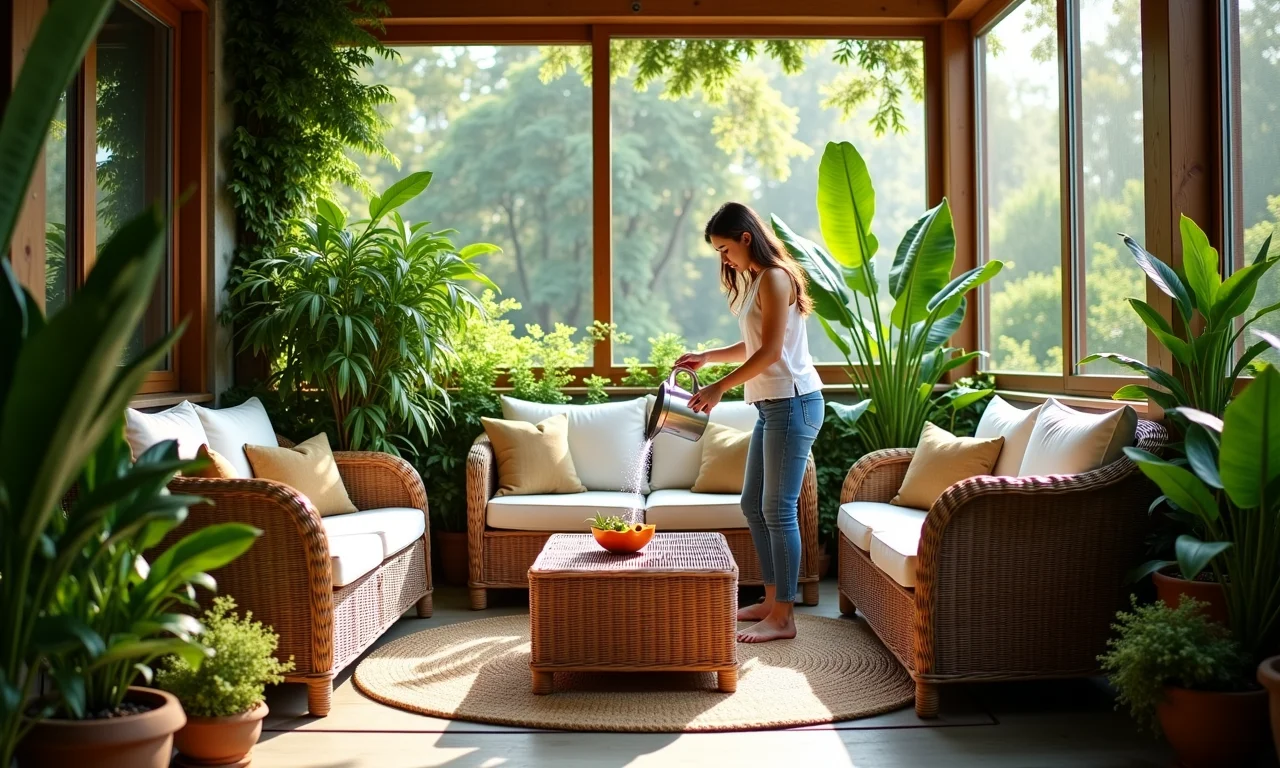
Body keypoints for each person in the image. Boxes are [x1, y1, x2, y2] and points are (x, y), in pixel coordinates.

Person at [677, 201, 824, 643]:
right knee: (753, 505)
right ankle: (772, 596)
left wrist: (719, 387)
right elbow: (752, 344)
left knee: (778, 510)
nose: (723, 259)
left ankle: (784, 615)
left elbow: (771, 353)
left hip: (793, 402)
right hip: (771, 405)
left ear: (745, 238)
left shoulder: (777, 278)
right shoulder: (758, 279)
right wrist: (708, 357)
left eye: (725, 249)